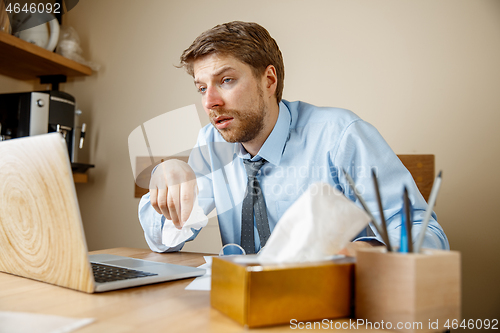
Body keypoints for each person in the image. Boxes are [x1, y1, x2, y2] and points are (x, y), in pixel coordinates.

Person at [138, 21, 449, 254]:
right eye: (202, 88)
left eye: (226, 80)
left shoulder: (339, 136)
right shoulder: (211, 144)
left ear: (269, 80)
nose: (209, 102)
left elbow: (426, 233)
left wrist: (371, 256)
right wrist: (164, 178)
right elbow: (164, 241)